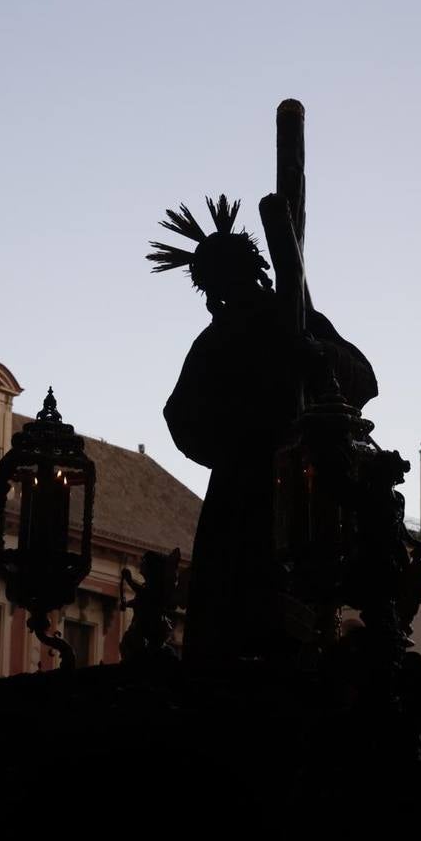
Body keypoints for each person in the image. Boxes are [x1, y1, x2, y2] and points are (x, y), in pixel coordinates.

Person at [148, 195, 376, 661]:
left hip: (302, 486)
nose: (221, 296)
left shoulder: (297, 317)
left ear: (249, 270)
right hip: (241, 491)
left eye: (225, 281)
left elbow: (363, 379)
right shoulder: (217, 340)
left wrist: (316, 357)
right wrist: (241, 434)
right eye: (214, 286)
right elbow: (181, 417)